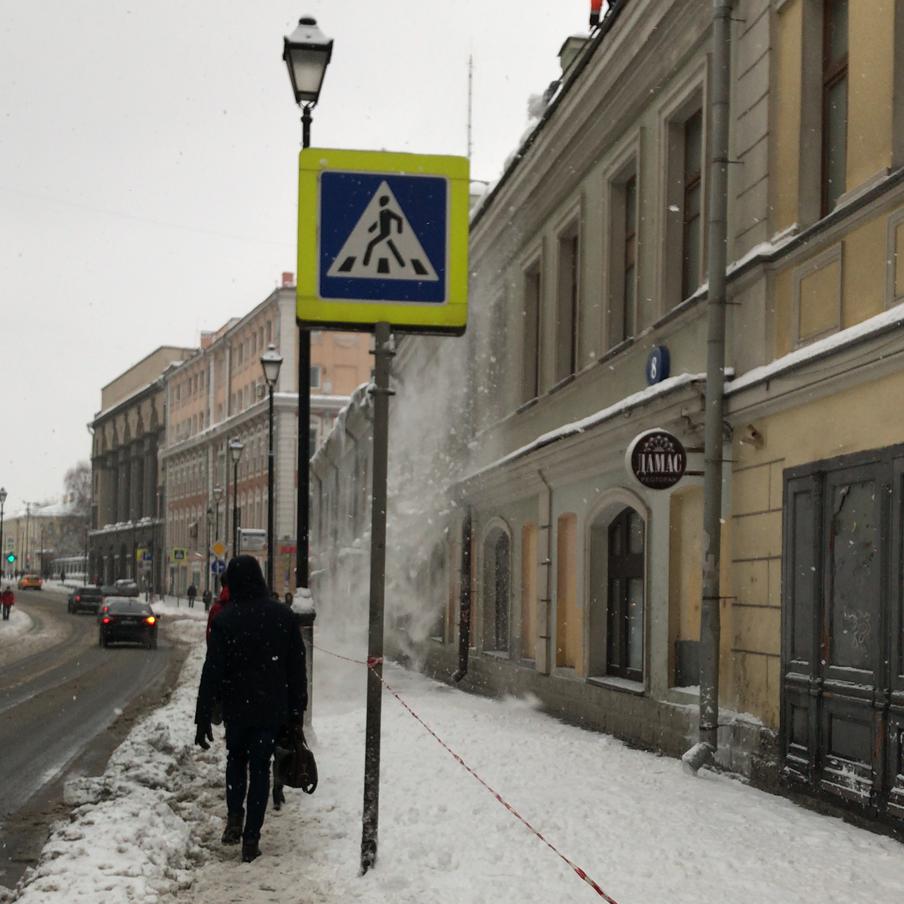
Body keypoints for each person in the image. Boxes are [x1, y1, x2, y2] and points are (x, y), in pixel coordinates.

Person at [194, 556, 306, 863]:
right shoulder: (282, 616)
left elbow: (212, 671)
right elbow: (297, 670)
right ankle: (251, 838)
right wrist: (297, 712)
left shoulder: (225, 620)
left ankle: (234, 815)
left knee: (236, 759)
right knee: (260, 769)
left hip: (237, 707)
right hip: (271, 708)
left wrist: (203, 715)